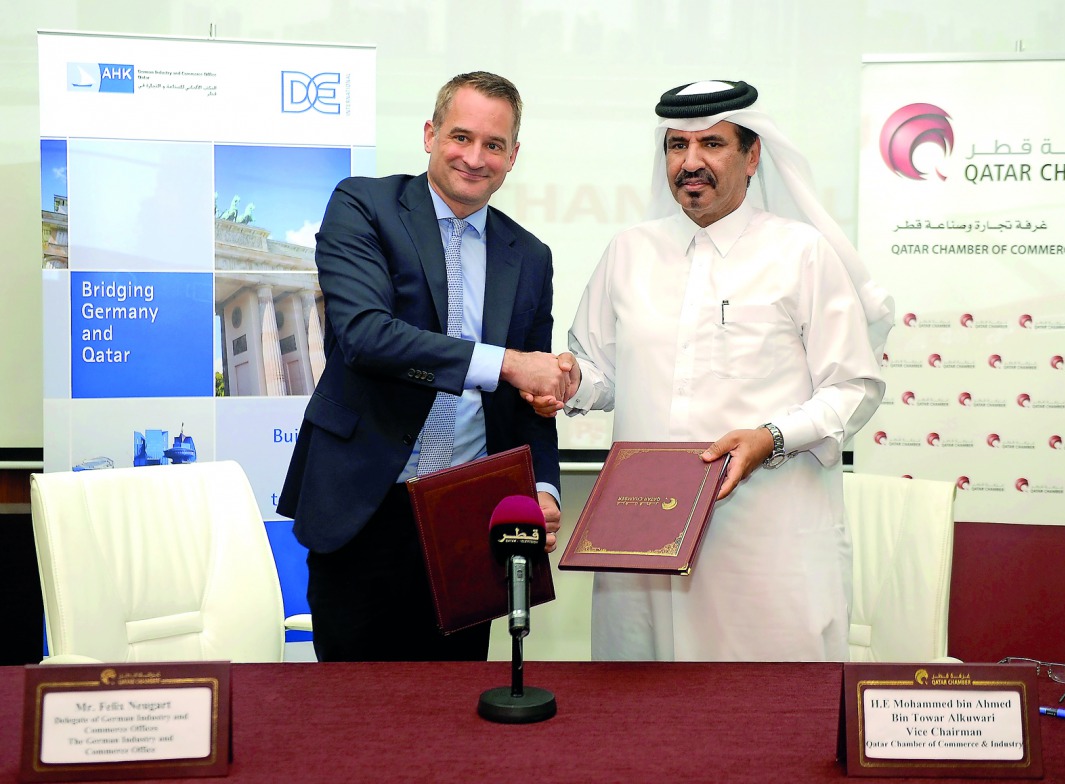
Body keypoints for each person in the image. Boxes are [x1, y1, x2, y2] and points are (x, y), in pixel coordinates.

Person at [530, 79, 894, 661]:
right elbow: (604, 374)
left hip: (762, 536)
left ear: (752, 156)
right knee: (638, 714)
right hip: (642, 542)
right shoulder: (628, 252)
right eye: (677, 146)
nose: (690, 162)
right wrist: (571, 384)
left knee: (759, 718)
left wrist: (770, 439)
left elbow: (854, 387)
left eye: (712, 145)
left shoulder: (800, 253)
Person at [277, 72, 567, 662]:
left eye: (494, 145)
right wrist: (506, 364)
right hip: (366, 506)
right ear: (431, 134)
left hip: (469, 517)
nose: (474, 157)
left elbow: (531, 397)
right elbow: (364, 336)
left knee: (456, 712)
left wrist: (540, 485)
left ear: (514, 156)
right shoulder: (364, 205)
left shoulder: (530, 256)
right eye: (461, 136)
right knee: (351, 710)